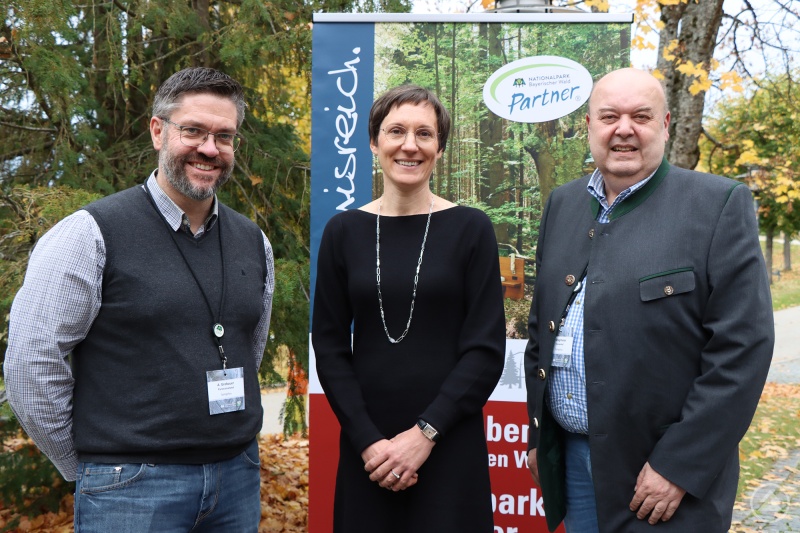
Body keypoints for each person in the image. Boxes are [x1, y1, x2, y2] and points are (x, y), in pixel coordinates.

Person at [3, 67, 274, 532]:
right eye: (193, 131)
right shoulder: (89, 234)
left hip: (237, 479)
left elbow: (251, 348)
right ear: (157, 131)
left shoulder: (253, 241)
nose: (210, 149)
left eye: (224, 136)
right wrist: (88, 467)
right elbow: (31, 363)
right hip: (130, 489)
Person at [524, 68, 774, 533]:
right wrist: (540, 437)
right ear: (589, 126)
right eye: (609, 117)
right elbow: (542, 328)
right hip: (573, 465)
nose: (624, 129)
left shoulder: (717, 205)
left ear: (665, 124)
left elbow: (742, 351)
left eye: (641, 116)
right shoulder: (562, 204)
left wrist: (679, 465)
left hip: (660, 479)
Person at [312, 84, 506, 532]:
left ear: (440, 147)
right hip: (368, 451)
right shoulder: (343, 232)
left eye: (424, 133)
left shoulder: (471, 228)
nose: (410, 145)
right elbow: (330, 347)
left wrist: (424, 435)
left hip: (449, 443)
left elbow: (485, 350)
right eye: (396, 131)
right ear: (374, 142)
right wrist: (369, 442)